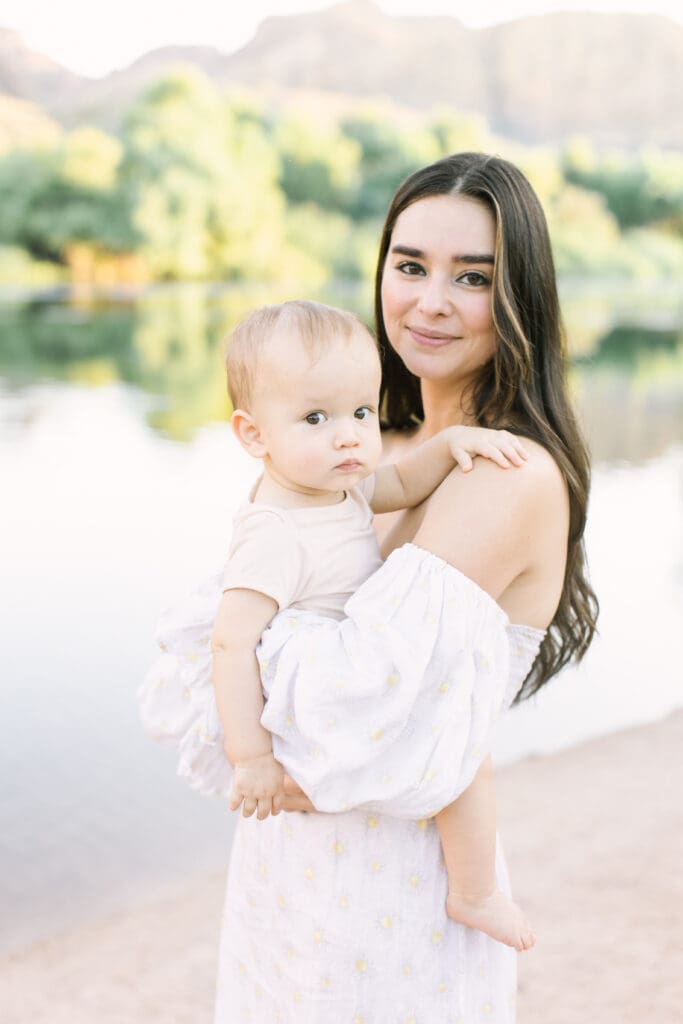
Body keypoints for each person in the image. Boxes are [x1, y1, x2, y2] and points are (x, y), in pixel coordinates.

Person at [141, 152, 598, 1024]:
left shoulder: (502, 473)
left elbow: (350, 700)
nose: (429, 300)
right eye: (409, 264)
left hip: (392, 896)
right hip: (292, 867)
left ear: (517, 298)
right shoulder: (369, 452)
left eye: (472, 277)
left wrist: (244, 664)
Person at [209, 297, 533, 952]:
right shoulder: (273, 530)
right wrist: (250, 759)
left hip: (354, 664)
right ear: (252, 435)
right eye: (315, 418)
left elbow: (404, 483)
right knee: (462, 757)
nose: (350, 434)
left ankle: (472, 889)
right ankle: (474, 893)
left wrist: (452, 443)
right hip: (326, 688)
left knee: (458, 752)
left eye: (360, 412)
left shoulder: (336, 485)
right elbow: (230, 640)